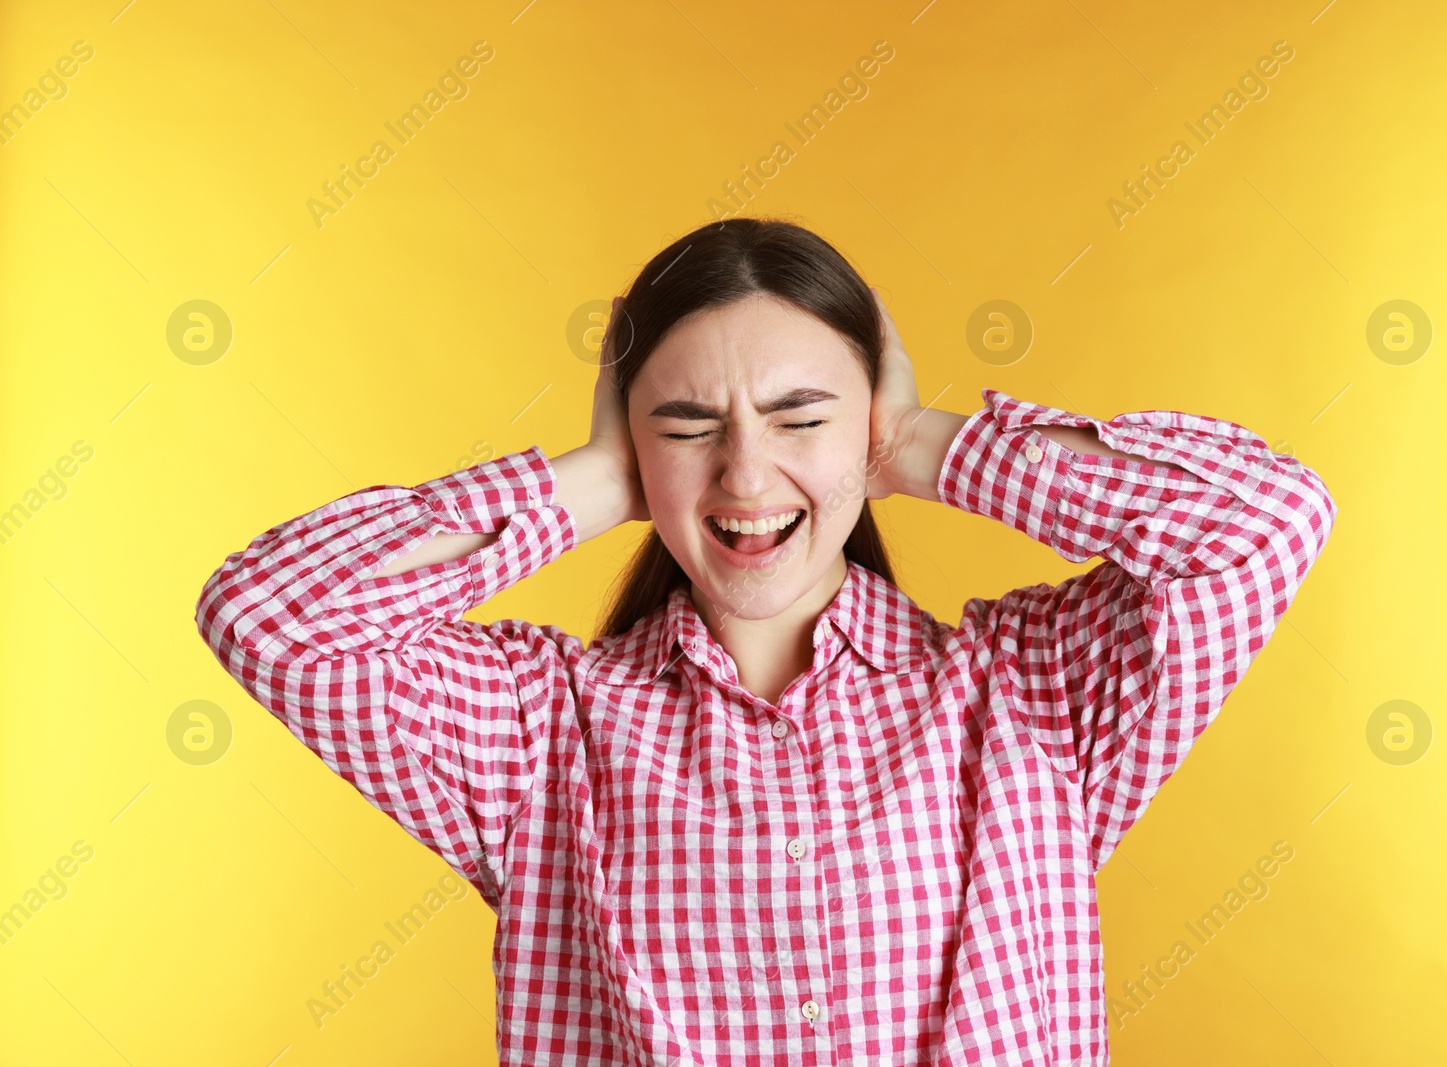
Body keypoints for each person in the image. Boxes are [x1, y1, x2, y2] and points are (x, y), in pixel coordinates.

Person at [195, 217, 1336, 1066]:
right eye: (688, 427)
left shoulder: (1029, 696)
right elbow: (269, 613)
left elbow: (1265, 521)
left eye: (802, 418)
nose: (745, 476)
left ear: (870, 427)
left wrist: (931, 442)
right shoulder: (541, 732)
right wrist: (593, 482)